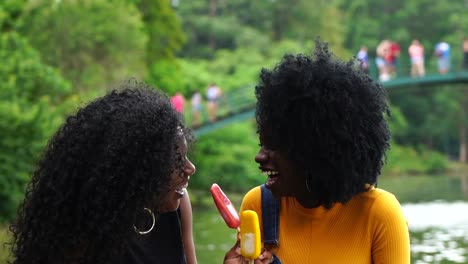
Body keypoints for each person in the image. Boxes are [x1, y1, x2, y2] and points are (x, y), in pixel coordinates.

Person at [224, 40, 410, 263]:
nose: (260, 157)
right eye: (262, 144)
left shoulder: (380, 214)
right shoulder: (257, 206)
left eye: (275, 146)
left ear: (315, 153)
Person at [9, 81, 197, 264]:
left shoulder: (179, 205)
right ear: (136, 167)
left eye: (185, 156)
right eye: (176, 160)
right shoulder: (83, 226)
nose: (190, 168)